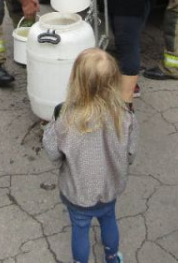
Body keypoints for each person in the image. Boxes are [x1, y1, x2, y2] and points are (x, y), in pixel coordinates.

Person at [43, 48, 139, 263]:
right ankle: (112, 257)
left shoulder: (66, 118)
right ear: (114, 81)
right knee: (109, 220)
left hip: (77, 190)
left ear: (76, 80)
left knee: (79, 229)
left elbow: (52, 151)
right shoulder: (125, 115)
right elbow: (130, 153)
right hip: (109, 188)